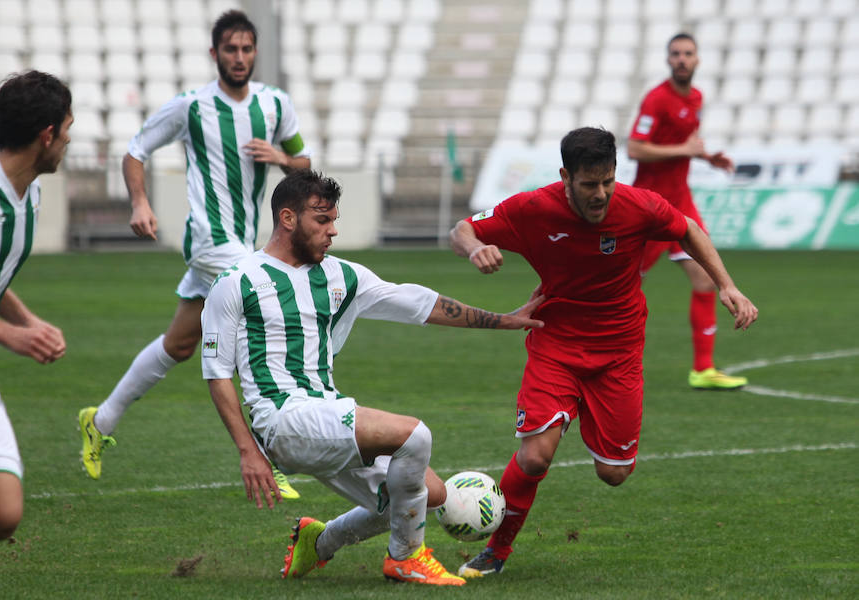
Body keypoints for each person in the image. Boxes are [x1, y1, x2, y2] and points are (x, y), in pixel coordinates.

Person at [201, 169, 545, 586]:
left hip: (327, 410)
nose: (333, 231)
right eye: (322, 220)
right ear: (288, 219)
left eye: (334, 220)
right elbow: (217, 374)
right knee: (414, 435)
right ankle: (405, 559)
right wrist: (248, 451)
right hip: (282, 420)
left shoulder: (342, 276)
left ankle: (319, 541)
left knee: (422, 496)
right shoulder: (236, 282)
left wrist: (505, 321)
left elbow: (418, 303)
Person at [450, 127, 758, 576]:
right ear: (565, 177)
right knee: (535, 455)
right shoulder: (533, 208)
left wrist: (727, 285)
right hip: (555, 344)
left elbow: (688, 228)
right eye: (589, 184)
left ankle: (582, 426)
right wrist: (477, 248)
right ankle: (497, 551)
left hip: (619, 353)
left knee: (614, 473)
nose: (601, 194)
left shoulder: (638, 206)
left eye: (608, 181)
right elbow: (461, 230)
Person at [78, 10, 310, 497]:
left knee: (179, 345)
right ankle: (267, 454)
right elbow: (135, 150)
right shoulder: (191, 107)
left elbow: (304, 162)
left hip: (246, 241)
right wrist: (139, 202)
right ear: (215, 54)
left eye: (247, 49)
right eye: (231, 49)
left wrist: (283, 159)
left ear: (255, 52)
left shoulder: (276, 104)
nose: (240, 58)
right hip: (210, 241)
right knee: (261, 320)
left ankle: (100, 420)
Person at [0, 71, 71, 549]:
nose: (68, 140)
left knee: (1, 513)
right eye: (67, 129)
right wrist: (11, 336)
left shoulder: (31, 194)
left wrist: (27, 321)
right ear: (47, 135)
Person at [628, 32, 745, 390]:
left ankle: (703, 369)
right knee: (624, 286)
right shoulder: (656, 100)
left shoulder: (695, 98)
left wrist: (707, 157)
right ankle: (600, 354)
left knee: (705, 279)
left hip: (681, 204)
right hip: (648, 207)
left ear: (697, 60)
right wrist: (685, 150)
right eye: (675, 54)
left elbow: (686, 146)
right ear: (668, 60)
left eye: (688, 54)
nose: (681, 59)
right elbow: (635, 148)